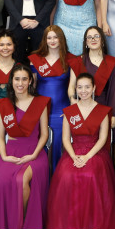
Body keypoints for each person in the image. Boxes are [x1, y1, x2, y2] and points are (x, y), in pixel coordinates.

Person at [49, 72, 115, 229]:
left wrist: (87, 157)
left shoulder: (103, 111)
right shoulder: (69, 111)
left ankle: (92, 223)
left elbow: (103, 138)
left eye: (87, 87)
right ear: (75, 89)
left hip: (95, 152)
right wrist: (74, 156)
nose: (83, 91)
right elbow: (65, 139)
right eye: (80, 87)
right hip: (73, 151)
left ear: (93, 88)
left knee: (90, 174)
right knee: (66, 175)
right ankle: (71, 222)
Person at [0, 64, 50, 229]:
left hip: (34, 153)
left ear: (30, 81)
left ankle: (21, 225)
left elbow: (44, 135)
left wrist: (34, 155)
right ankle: (3, 226)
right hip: (10, 152)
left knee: (20, 180)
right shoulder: (4, 104)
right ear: (11, 81)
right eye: (17, 79)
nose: (20, 83)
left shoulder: (40, 103)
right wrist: (4, 156)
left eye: (24, 79)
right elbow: (0, 137)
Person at [68, 26, 115, 142]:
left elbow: (113, 91)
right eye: (89, 37)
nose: (93, 39)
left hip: (103, 109)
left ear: (102, 40)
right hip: (82, 108)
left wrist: (113, 115)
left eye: (96, 36)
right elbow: (71, 87)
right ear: (86, 42)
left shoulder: (111, 62)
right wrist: (74, 101)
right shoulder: (78, 61)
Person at [29, 25, 72, 168]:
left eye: (56, 37)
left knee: (59, 148)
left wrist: (71, 111)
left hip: (62, 113)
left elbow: (72, 90)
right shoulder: (35, 59)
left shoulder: (71, 59)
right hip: (41, 111)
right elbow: (32, 89)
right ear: (44, 40)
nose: (52, 40)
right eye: (49, 37)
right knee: (41, 150)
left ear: (61, 39)